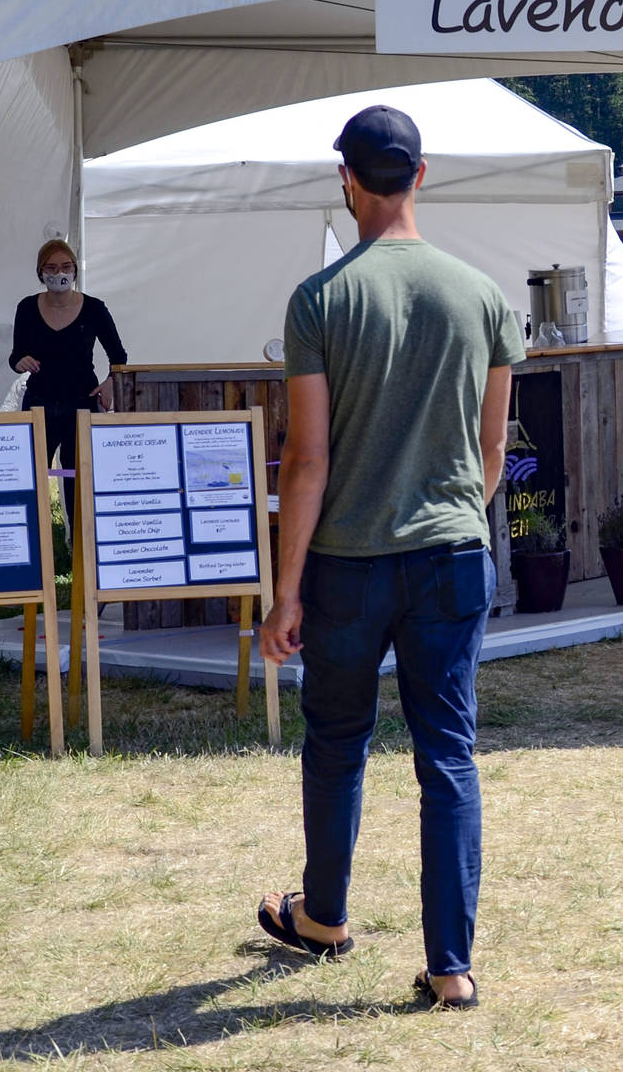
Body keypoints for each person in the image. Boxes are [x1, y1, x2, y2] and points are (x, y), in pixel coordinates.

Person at [256, 104, 524, 1011]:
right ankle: (451, 967)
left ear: (346, 180)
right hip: (452, 553)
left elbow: (306, 459)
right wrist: (450, 518)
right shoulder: (484, 296)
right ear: (421, 175)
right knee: (448, 754)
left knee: (337, 740)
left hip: (346, 562)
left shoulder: (319, 300)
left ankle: (324, 916)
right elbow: (493, 450)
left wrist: (285, 591)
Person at [9, 239, 126, 537]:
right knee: (32, 477)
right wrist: (20, 362)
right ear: (40, 272)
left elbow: (119, 357)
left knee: (80, 479)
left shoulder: (95, 308)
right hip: (39, 402)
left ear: (75, 269)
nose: (58, 273)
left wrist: (110, 383)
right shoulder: (27, 307)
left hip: (82, 402)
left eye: (65, 267)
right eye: (50, 268)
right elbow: (15, 355)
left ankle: (81, 546)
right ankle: (35, 545)